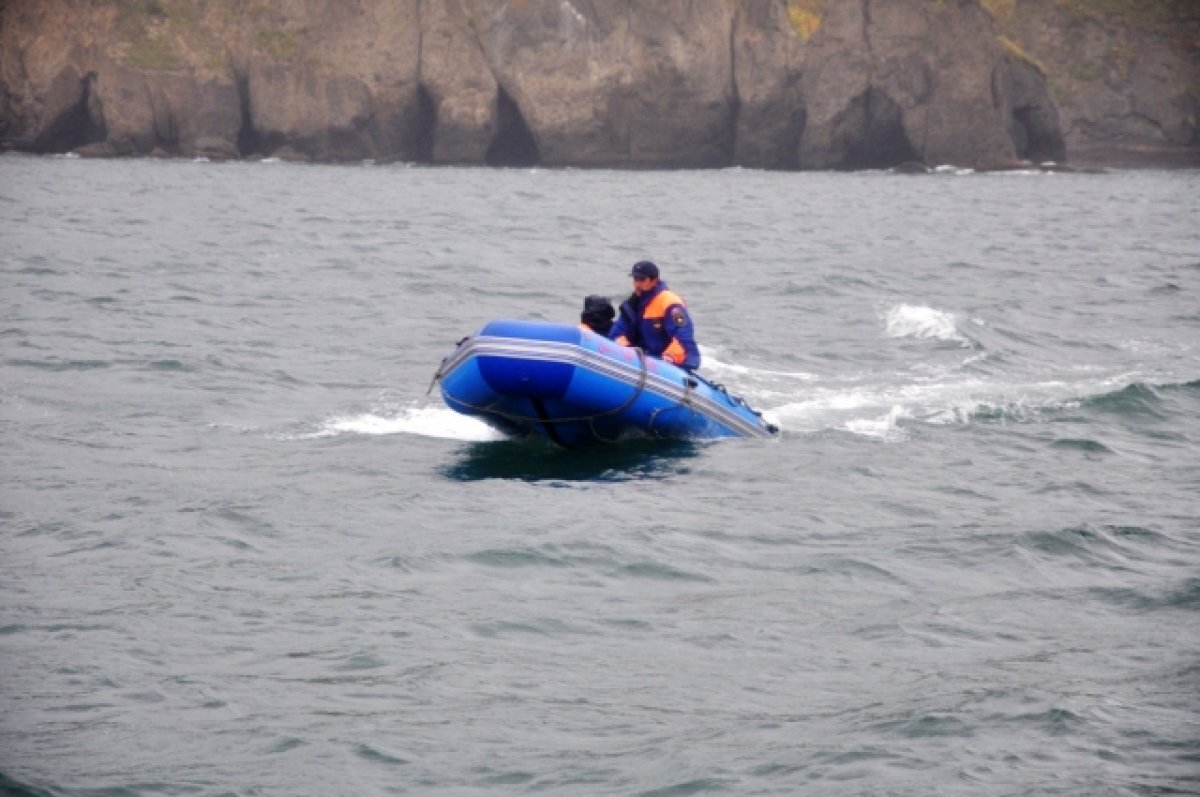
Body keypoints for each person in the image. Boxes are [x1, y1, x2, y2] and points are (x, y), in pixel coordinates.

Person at [609, 260, 700, 370]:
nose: (637, 284)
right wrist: (627, 350)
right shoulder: (633, 304)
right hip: (641, 360)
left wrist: (670, 356)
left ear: (654, 280)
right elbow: (617, 332)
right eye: (635, 279)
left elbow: (683, 335)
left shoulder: (670, 303)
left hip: (665, 364)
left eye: (642, 279)